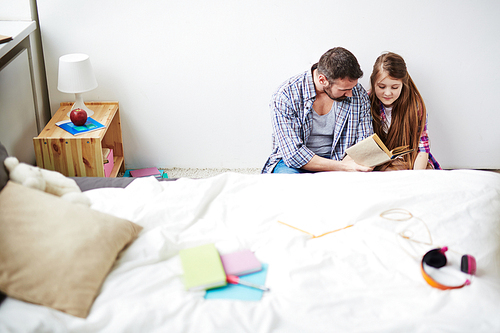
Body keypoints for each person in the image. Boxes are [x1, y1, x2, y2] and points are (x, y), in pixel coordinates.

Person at [262, 47, 374, 174]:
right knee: (291, 186)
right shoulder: (285, 95)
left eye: (352, 87)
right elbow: (293, 155)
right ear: (322, 80)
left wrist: (349, 164)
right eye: (343, 90)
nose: (350, 94)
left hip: (340, 159)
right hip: (292, 165)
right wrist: (343, 167)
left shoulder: (357, 93)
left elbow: (364, 142)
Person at [369, 52, 441, 170]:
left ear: (403, 84)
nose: (387, 93)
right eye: (381, 87)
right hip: (379, 163)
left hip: (410, 159)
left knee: (427, 170)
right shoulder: (367, 103)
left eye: (394, 87)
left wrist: (416, 176)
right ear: (373, 82)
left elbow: (422, 148)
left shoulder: (415, 105)